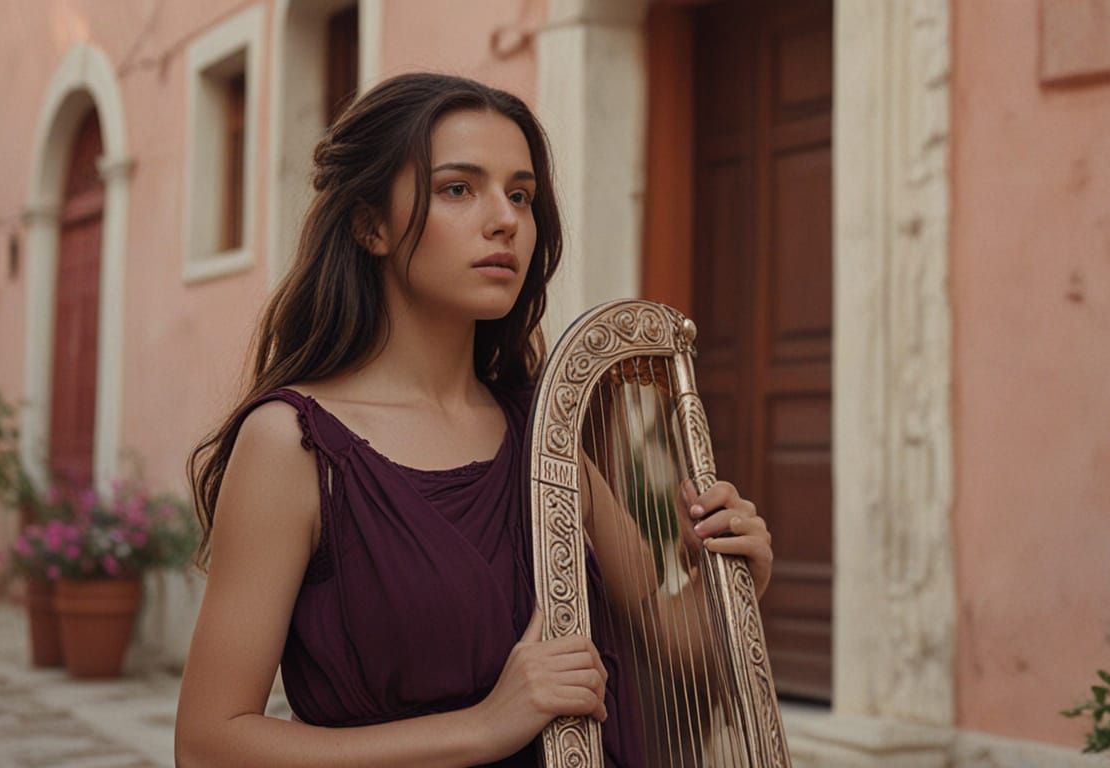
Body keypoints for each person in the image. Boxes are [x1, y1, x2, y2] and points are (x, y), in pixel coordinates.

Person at [173, 72, 775, 768]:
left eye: (520, 194)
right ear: (370, 224)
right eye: (459, 189)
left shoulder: (542, 429)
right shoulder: (294, 444)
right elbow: (210, 743)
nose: (506, 219)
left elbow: (674, 644)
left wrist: (726, 575)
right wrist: (486, 727)